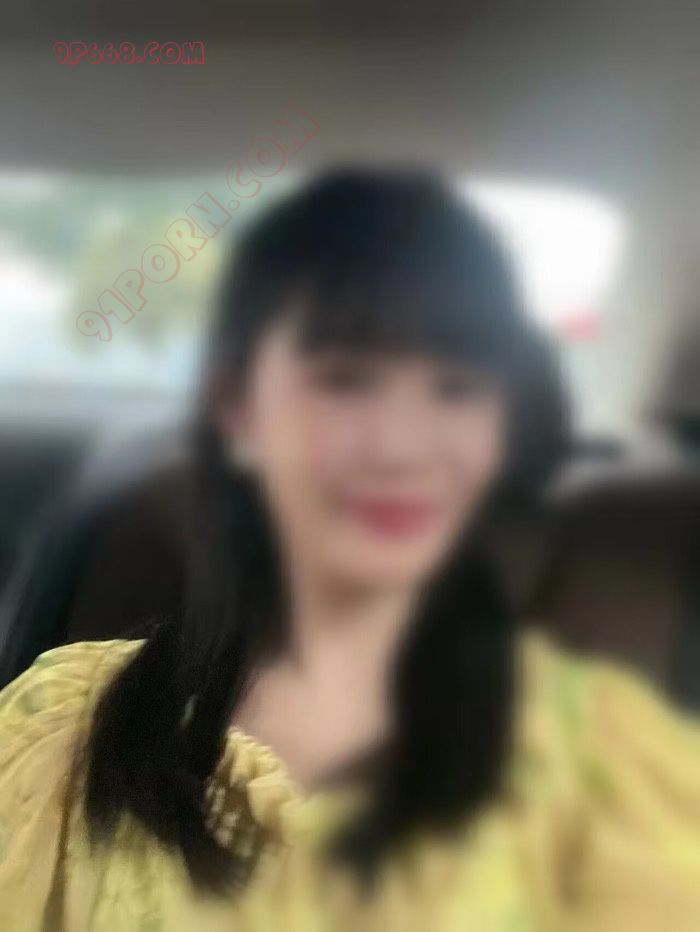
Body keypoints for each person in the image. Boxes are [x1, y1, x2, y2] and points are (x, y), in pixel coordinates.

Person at [0, 168, 698, 931]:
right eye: (344, 379)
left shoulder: (608, 762)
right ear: (237, 408)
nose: (401, 446)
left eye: (457, 387)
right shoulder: (63, 725)